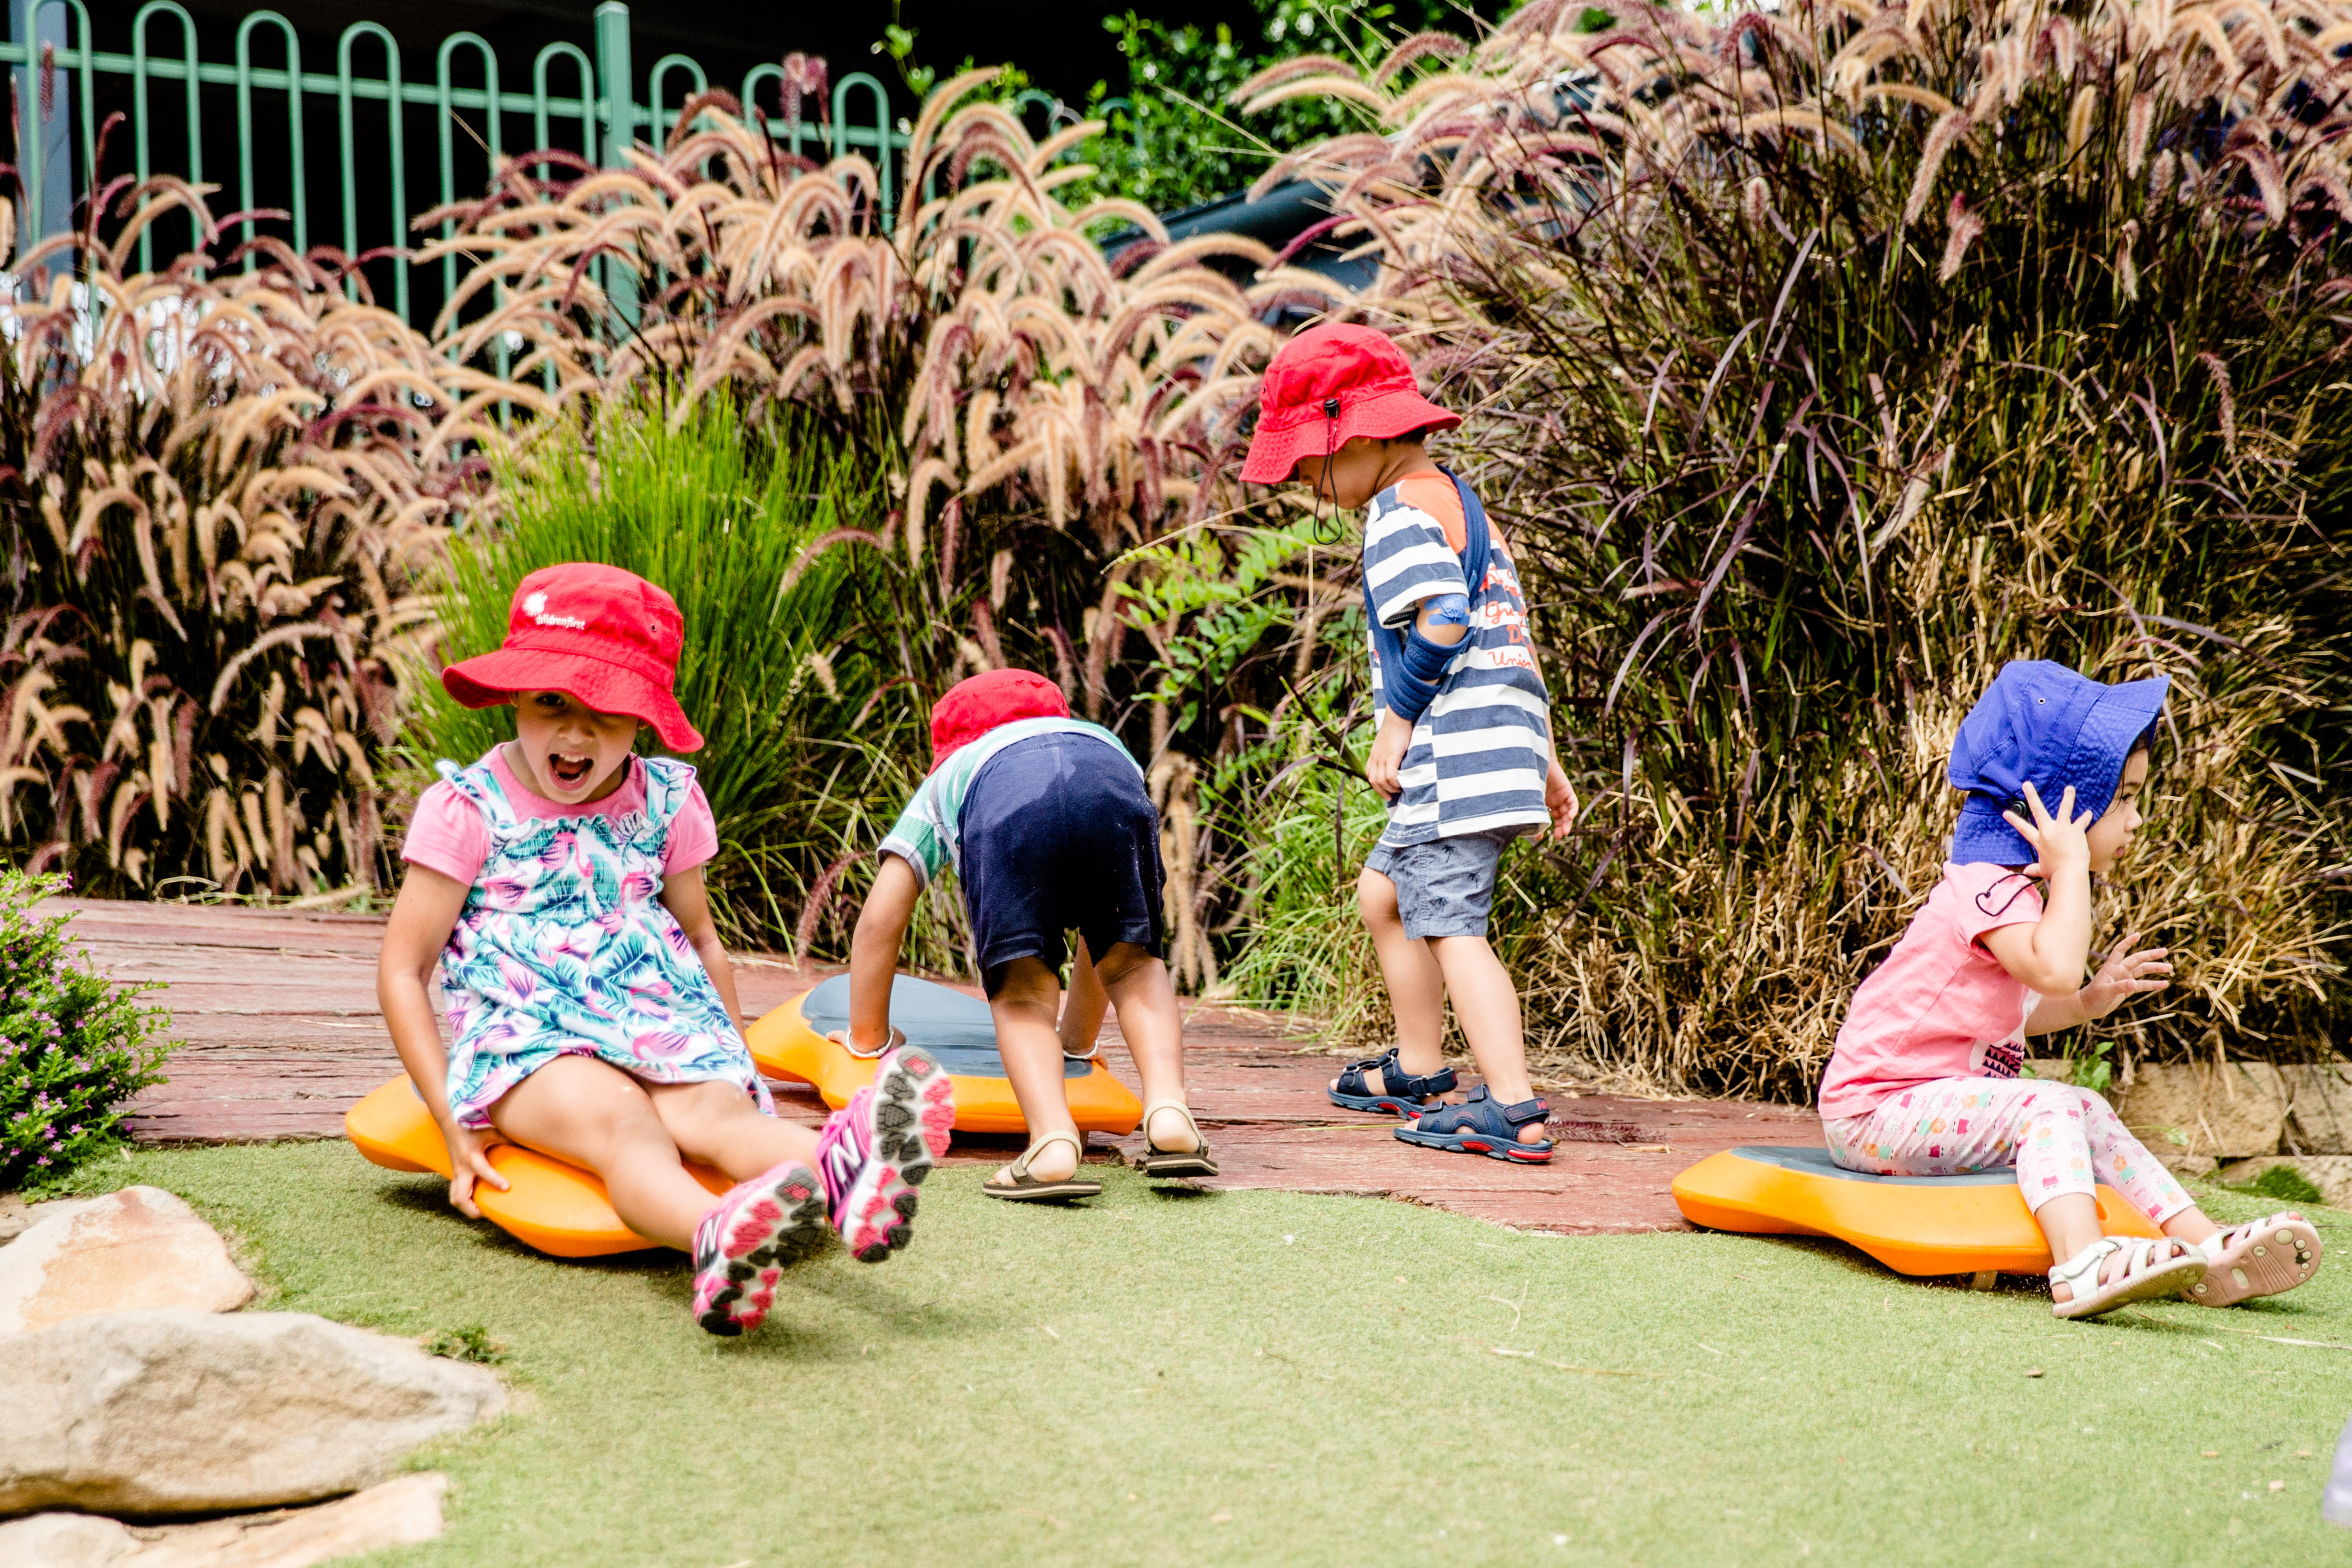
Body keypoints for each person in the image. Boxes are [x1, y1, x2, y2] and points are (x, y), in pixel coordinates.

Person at [376, 563, 954, 1337]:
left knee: (718, 1116)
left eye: (607, 714)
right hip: (531, 1033)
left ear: (642, 722)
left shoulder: (666, 797)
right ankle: (714, 1231)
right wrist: (451, 1119)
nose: (577, 734)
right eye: (554, 703)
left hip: (654, 1013)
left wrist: (738, 1062)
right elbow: (403, 969)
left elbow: (704, 935)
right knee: (624, 1126)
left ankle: (844, 1169)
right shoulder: (468, 809)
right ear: (516, 694)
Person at [1818, 659, 2323, 1319]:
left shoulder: (2008, 895)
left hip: (1926, 1106)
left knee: (2081, 1104)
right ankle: (2083, 1264)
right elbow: (2053, 968)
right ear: (2063, 807)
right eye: (2124, 799)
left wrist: (2084, 1003)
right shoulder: (1984, 885)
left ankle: (2209, 1248)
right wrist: (2073, 868)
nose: (2136, 821)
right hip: (1875, 1110)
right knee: (2048, 1104)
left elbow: (2017, 1009)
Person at [1240, 321, 1578, 1161]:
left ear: (1354, 433)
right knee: (1385, 893)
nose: (1317, 483)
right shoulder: (1456, 498)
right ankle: (1423, 1068)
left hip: (1451, 753)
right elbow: (1505, 632)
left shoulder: (1394, 512)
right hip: (1499, 733)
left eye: (1315, 465)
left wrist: (1396, 718)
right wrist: (1541, 755)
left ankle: (1512, 1106)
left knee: (1451, 922)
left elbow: (1449, 618)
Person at [841, 667, 1214, 1202]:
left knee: (1021, 996)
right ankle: (1169, 1109)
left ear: (949, 747)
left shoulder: (952, 775)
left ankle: (1052, 1141)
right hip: (1109, 782)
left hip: (1004, 806)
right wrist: (1076, 1044)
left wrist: (869, 1038)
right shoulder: (1096, 737)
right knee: (1131, 961)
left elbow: (880, 921)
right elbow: (1100, 935)